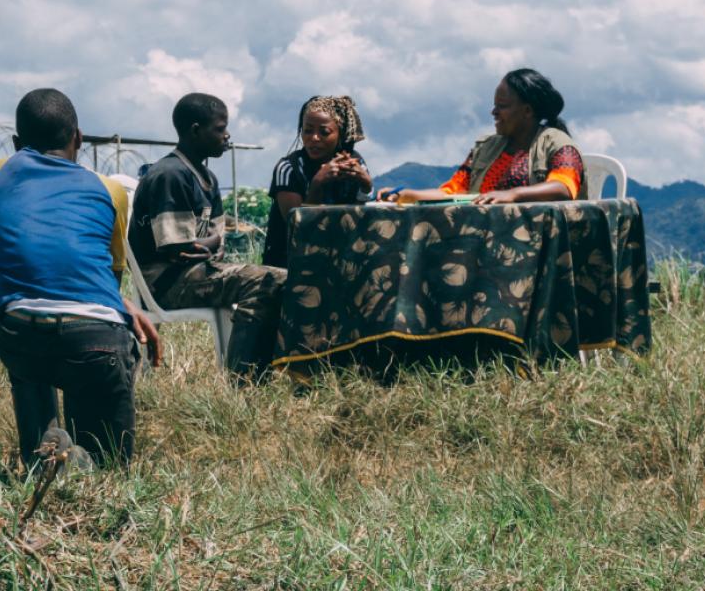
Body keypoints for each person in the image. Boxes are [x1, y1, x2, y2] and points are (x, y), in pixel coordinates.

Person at [0, 88, 161, 469]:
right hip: (94, 341)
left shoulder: (0, 172)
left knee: (30, 349)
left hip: (19, 332)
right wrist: (123, 305)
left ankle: (44, 450)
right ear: (78, 137)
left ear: (16, 144)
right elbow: (108, 279)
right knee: (110, 466)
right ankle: (79, 460)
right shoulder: (111, 190)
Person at [129, 93, 286, 379]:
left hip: (195, 272)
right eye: (220, 128)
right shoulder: (170, 175)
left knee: (280, 278)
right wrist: (207, 244)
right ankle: (244, 378)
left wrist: (207, 245)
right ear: (195, 130)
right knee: (267, 281)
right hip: (165, 283)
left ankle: (258, 371)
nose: (227, 135)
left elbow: (214, 241)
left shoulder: (207, 178)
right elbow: (178, 248)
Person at [380, 68, 584, 205]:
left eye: (502, 106)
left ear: (527, 111)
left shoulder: (558, 144)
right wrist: (406, 195)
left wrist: (513, 195)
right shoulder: (486, 147)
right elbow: (452, 192)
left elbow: (563, 187)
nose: (494, 112)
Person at [262, 95, 372, 268]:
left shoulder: (353, 164)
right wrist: (317, 183)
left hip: (339, 261)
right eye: (307, 130)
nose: (314, 138)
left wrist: (366, 186)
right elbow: (298, 230)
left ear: (340, 134)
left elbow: (358, 219)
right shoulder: (289, 168)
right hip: (289, 264)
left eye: (324, 132)